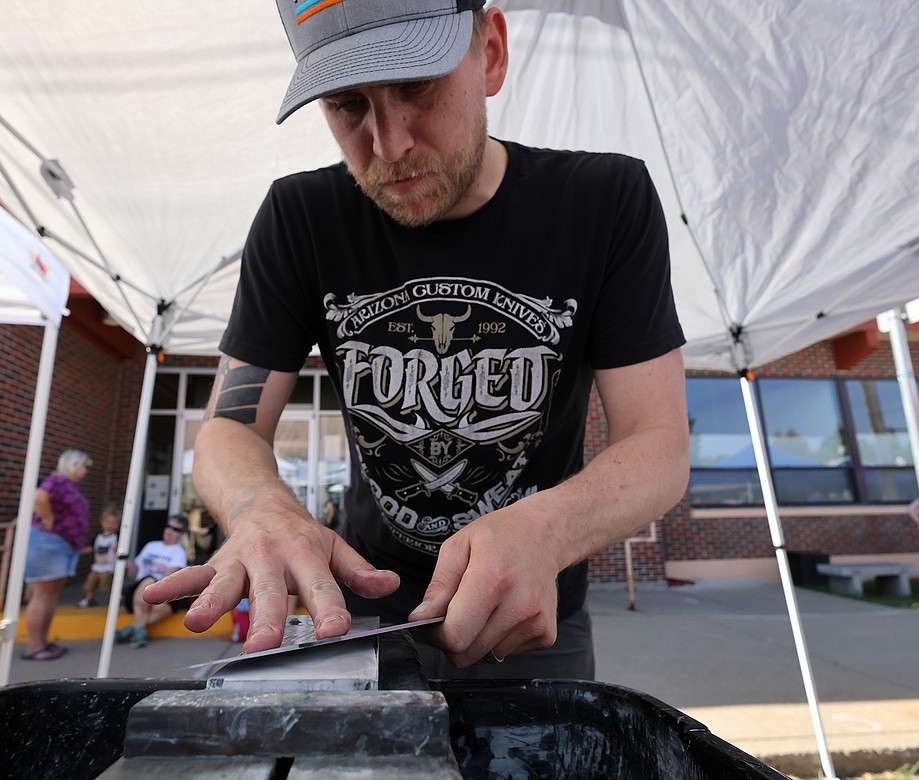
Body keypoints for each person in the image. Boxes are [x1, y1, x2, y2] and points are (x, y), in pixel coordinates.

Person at [146, 1, 689, 679]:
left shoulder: (604, 201)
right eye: (347, 105)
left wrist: (546, 531)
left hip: (532, 615)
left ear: (489, 51)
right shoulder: (301, 218)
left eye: (417, 86)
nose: (389, 142)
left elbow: (659, 442)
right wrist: (262, 509)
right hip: (363, 610)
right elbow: (229, 427)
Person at [22, 449, 92, 660]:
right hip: (50, 543)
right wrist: (49, 518)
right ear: (73, 464)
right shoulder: (58, 480)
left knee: (50, 594)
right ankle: (34, 645)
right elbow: (40, 496)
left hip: (63, 545)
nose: (85, 471)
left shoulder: (68, 485)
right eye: (84, 466)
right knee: (42, 593)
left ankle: (43, 641)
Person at [116, 514, 190, 648]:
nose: (170, 531)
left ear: (181, 534)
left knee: (159, 600)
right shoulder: (151, 546)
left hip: (160, 595)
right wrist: (124, 558)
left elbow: (167, 578)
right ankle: (138, 632)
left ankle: (135, 628)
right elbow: (135, 574)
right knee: (148, 580)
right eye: (168, 526)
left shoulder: (178, 552)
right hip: (138, 592)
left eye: (175, 529)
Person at [79, 504, 120, 607]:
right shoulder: (98, 536)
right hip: (97, 566)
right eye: (107, 522)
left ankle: (116, 597)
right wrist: (79, 551)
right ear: (101, 522)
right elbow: (91, 547)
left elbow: (120, 548)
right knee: (89, 585)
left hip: (109, 567)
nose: (110, 525)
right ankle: (90, 599)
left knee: (105, 585)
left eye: (113, 523)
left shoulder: (116, 537)